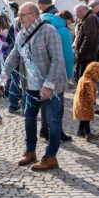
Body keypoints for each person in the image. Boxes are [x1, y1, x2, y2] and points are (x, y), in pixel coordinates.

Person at [0, 2, 68, 171]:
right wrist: (3, 76)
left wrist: (48, 85)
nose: (19, 18)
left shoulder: (49, 31)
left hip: (51, 86)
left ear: (33, 15)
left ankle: (51, 157)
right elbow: (13, 56)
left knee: (52, 121)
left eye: (22, 15)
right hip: (30, 86)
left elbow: (58, 60)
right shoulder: (22, 34)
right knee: (29, 118)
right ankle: (30, 152)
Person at [40, 9, 74, 141]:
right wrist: (68, 74)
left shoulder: (44, 25)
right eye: (70, 21)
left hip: (43, 69)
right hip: (58, 72)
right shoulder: (64, 31)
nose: (71, 24)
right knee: (58, 104)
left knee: (45, 100)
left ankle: (44, 129)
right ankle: (58, 132)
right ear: (66, 20)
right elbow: (67, 55)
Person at [73, 62, 99, 142]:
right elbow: (89, 95)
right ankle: (88, 134)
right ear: (95, 73)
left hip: (80, 103)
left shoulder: (83, 78)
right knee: (86, 118)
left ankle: (80, 130)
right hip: (85, 104)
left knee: (82, 117)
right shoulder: (89, 82)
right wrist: (93, 101)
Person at [73, 4, 99, 81]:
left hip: (86, 56)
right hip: (87, 56)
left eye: (77, 14)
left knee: (84, 81)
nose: (77, 17)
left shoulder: (90, 18)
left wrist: (80, 52)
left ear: (81, 11)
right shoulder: (90, 17)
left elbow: (88, 38)